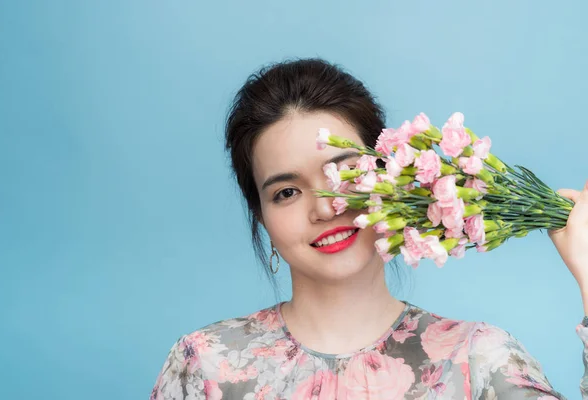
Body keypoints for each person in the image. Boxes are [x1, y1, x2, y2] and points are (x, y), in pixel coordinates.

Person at [149, 58, 588, 399]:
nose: (325, 207)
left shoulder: (476, 359)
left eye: (343, 172)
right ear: (261, 219)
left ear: (392, 175)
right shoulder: (206, 365)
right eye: (286, 192)